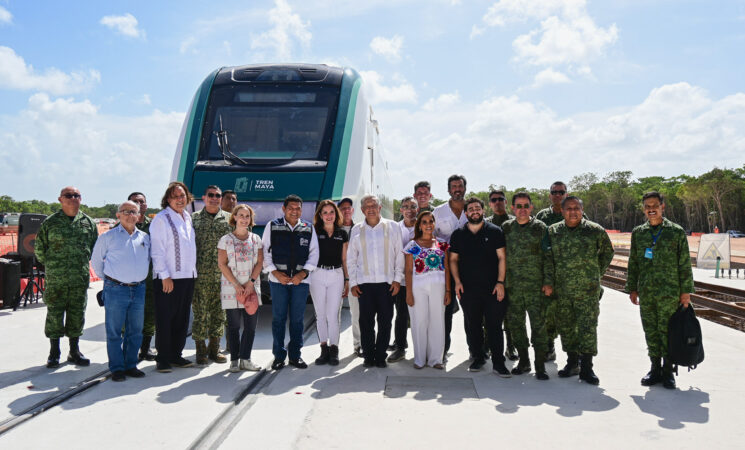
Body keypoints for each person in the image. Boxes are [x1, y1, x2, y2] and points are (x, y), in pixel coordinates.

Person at [625, 191, 694, 389]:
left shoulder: (675, 231)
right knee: (651, 331)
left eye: (655, 205)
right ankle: (654, 368)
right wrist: (632, 288)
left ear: (663, 206)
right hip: (647, 292)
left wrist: (685, 292)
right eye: (647, 206)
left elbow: (684, 264)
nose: (651, 209)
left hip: (670, 293)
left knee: (668, 331)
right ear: (643, 209)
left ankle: (668, 370)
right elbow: (634, 262)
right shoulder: (639, 233)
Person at [545, 196, 614, 385]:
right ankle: (572, 362)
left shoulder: (594, 230)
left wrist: (595, 273)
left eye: (576, 208)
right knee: (567, 327)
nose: (572, 212)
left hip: (588, 290)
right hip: (563, 290)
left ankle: (587, 368)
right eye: (568, 208)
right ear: (562, 210)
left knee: (587, 328)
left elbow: (608, 252)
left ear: (582, 210)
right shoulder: (553, 231)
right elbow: (548, 259)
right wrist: (550, 282)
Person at [36, 186, 99, 368]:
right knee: (55, 315)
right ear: (60, 199)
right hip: (56, 279)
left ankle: (74, 351)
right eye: (68, 195)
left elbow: (94, 249)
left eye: (76, 195)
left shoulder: (88, 223)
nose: (72, 198)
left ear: (81, 199)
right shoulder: (51, 222)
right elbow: (40, 249)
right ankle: (54, 352)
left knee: (77, 314)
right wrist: (54, 265)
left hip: (79, 279)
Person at [449, 197, 510, 376]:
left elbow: (502, 258)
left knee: (494, 326)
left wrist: (500, 282)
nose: (475, 211)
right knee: (473, 325)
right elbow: (453, 259)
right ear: (466, 213)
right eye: (471, 209)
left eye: (478, 208)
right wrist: (457, 282)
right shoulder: (458, 234)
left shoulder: (495, 231)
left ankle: (499, 362)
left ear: (483, 211)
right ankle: (478, 358)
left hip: (492, 288)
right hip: (468, 289)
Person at [91, 201, 150, 381]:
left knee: (136, 330)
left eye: (133, 212)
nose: (129, 215)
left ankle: (131, 365)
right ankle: (117, 368)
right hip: (116, 290)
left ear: (139, 216)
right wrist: (111, 280)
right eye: (125, 211)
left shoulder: (145, 238)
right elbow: (96, 262)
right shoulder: (107, 237)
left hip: (139, 289)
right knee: (115, 331)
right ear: (118, 215)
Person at [263, 194, 319, 370]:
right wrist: (276, 273)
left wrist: (302, 274)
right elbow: (264, 253)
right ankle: (279, 356)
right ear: (284, 209)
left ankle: (296, 356)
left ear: (301, 210)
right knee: (278, 319)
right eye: (291, 208)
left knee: (297, 320)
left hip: (299, 283)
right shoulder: (272, 226)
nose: (294, 211)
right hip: (277, 281)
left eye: (298, 208)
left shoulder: (308, 228)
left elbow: (314, 253)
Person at [347, 195, 404, 368]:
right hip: (364, 284)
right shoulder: (357, 229)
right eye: (367, 206)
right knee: (365, 322)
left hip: (386, 283)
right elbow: (351, 259)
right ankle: (368, 355)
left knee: (385, 321)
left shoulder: (392, 227)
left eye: (374, 205)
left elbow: (399, 254)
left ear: (380, 208)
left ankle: (380, 356)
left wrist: (396, 280)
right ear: (362, 210)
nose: (370, 208)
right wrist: (353, 283)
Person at [501, 193, 550, 380]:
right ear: (512, 208)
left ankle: (540, 366)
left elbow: (547, 257)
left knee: (539, 326)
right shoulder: (506, 228)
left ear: (531, 208)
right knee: (516, 326)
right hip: (513, 287)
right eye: (518, 206)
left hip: (535, 287)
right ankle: (524, 361)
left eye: (525, 206)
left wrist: (548, 282)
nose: (522, 209)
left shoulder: (540, 228)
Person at [150, 182, 198, 373]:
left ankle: (176, 355)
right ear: (168, 199)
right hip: (168, 278)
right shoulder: (161, 219)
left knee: (182, 318)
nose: (180, 199)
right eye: (175, 196)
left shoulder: (187, 217)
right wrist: (164, 276)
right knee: (165, 318)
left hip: (187, 275)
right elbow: (157, 250)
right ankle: (162, 358)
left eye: (182, 196)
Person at [217, 204, 264, 372]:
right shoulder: (225, 240)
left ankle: (246, 359)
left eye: (247, 216)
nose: (244, 219)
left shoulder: (256, 239)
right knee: (234, 326)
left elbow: (259, 262)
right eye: (241, 215)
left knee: (250, 326)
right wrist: (237, 285)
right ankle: (235, 360)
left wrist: (250, 283)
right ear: (234, 217)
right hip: (232, 288)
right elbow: (222, 264)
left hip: (251, 288)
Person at [403, 211, 450, 369]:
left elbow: (448, 268)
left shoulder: (442, 244)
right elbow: (408, 271)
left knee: (437, 321)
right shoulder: (413, 245)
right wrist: (408, 293)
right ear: (420, 225)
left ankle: (436, 359)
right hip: (418, 287)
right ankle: (420, 359)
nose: (428, 224)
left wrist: (448, 291)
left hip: (439, 286)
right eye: (424, 222)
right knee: (419, 321)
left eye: (431, 221)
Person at [192, 185, 231, 365]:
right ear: (204, 197)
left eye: (218, 195)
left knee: (219, 315)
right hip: (200, 276)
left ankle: (214, 350)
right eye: (211, 195)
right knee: (200, 314)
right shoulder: (193, 219)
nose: (214, 198)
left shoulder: (230, 220)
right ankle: (200, 351)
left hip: (223, 277)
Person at [309, 200, 349, 366]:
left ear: (336, 214)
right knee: (321, 314)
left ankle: (334, 349)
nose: (328, 216)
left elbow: (344, 259)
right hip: (317, 274)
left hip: (336, 275)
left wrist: (347, 279)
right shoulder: (314, 232)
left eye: (331, 212)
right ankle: (323, 349)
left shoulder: (342, 233)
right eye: (324, 212)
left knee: (333, 315)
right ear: (320, 215)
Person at [433, 175, 468, 359]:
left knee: (471, 312)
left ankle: (476, 351)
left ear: (465, 189)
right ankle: (442, 350)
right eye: (454, 186)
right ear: (448, 190)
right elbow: (430, 237)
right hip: (444, 268)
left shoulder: (472, 209)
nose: (457, 189)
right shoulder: (438, 212)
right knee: (445, 312)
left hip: (468, 269)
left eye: (460, 186)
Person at [535, 181, 569, 362]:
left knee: (568, 315)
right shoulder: (542, 216)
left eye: (561, 192)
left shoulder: (574, 212)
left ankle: (574, 354)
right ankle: (549, 346)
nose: (557, 195)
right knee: (547, 313)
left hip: (569, 274)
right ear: (550, 195)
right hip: (546, 272)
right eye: (554, 192)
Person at [487, 189, 517, 361]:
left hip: (512, 276)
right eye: (494, 200)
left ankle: (510, 347)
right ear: (489, 204)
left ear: (506, 202)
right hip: (491, 275)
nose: (497, 202)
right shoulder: (485, 223)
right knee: (488, 315)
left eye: (500, 199)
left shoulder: (514, 222)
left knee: (511, 315)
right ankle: (488, 346)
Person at [127, 192, 157, 361]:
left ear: (145, 206)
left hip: (149, 279)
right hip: (127, 281)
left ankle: (145, 349)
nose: (138, 204)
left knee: (149, 315)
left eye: (141, 201)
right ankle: (129, 350)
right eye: (134, 201)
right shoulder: (119, 226)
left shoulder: (154, 226)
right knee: (128, 317)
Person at [388, 196, 418, 363]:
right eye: (406, 206)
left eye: (413, 206)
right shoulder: (394, 228)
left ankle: (424, 349)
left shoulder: (425, 226)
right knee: (401, 315)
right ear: (401, 210)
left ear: (417, 209)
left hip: (421, 280)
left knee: (421, 316)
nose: (409, 210)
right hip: (400, 280)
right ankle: (400, 347)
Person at [338, 197, 363, 357]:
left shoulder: (360, 229)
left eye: (349, 208)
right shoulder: (333, 229)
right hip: (335, 275)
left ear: (353, 211)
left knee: (357, 312)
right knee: (333, 315)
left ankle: (358, 345)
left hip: (354, 276)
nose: (346, 211)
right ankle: (332, 347)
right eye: (343, 208)